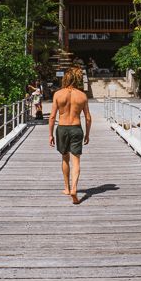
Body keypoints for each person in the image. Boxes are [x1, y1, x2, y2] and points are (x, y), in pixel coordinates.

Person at [49, 67, 92, 204]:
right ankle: (74, 188)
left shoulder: (58, 94)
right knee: (76, 161)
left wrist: (50, 135)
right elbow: (88, 118)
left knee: (65, 158)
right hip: (76, 128)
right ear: (76, 80)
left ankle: (67, 188)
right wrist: (87, 134)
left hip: (62, 128)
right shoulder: (82, 95)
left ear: (65, 79)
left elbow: (52, 117)